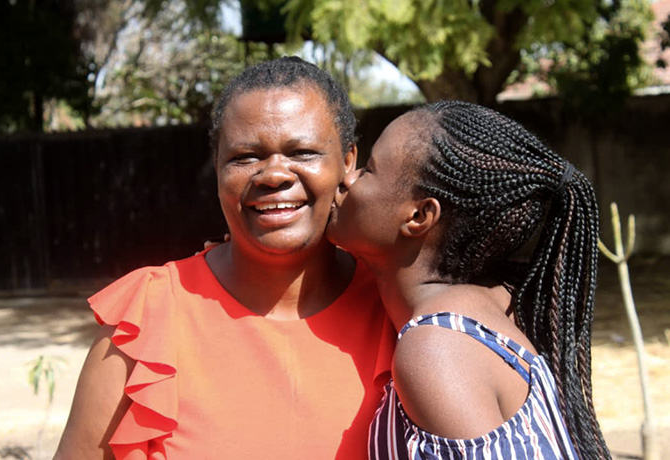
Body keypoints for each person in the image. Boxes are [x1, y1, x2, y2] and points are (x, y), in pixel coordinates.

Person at [54, 57, 395, 459]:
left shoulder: (395, 307)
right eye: (246, 157)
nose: (274, 174)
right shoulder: (147, 318)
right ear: (217, 167)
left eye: (302, 151)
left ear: (348, 161)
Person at [327, 101, 611, 459]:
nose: (347, 179)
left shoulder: (439, 347)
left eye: (368, 170)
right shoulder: (495, 300)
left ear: (419, 216)